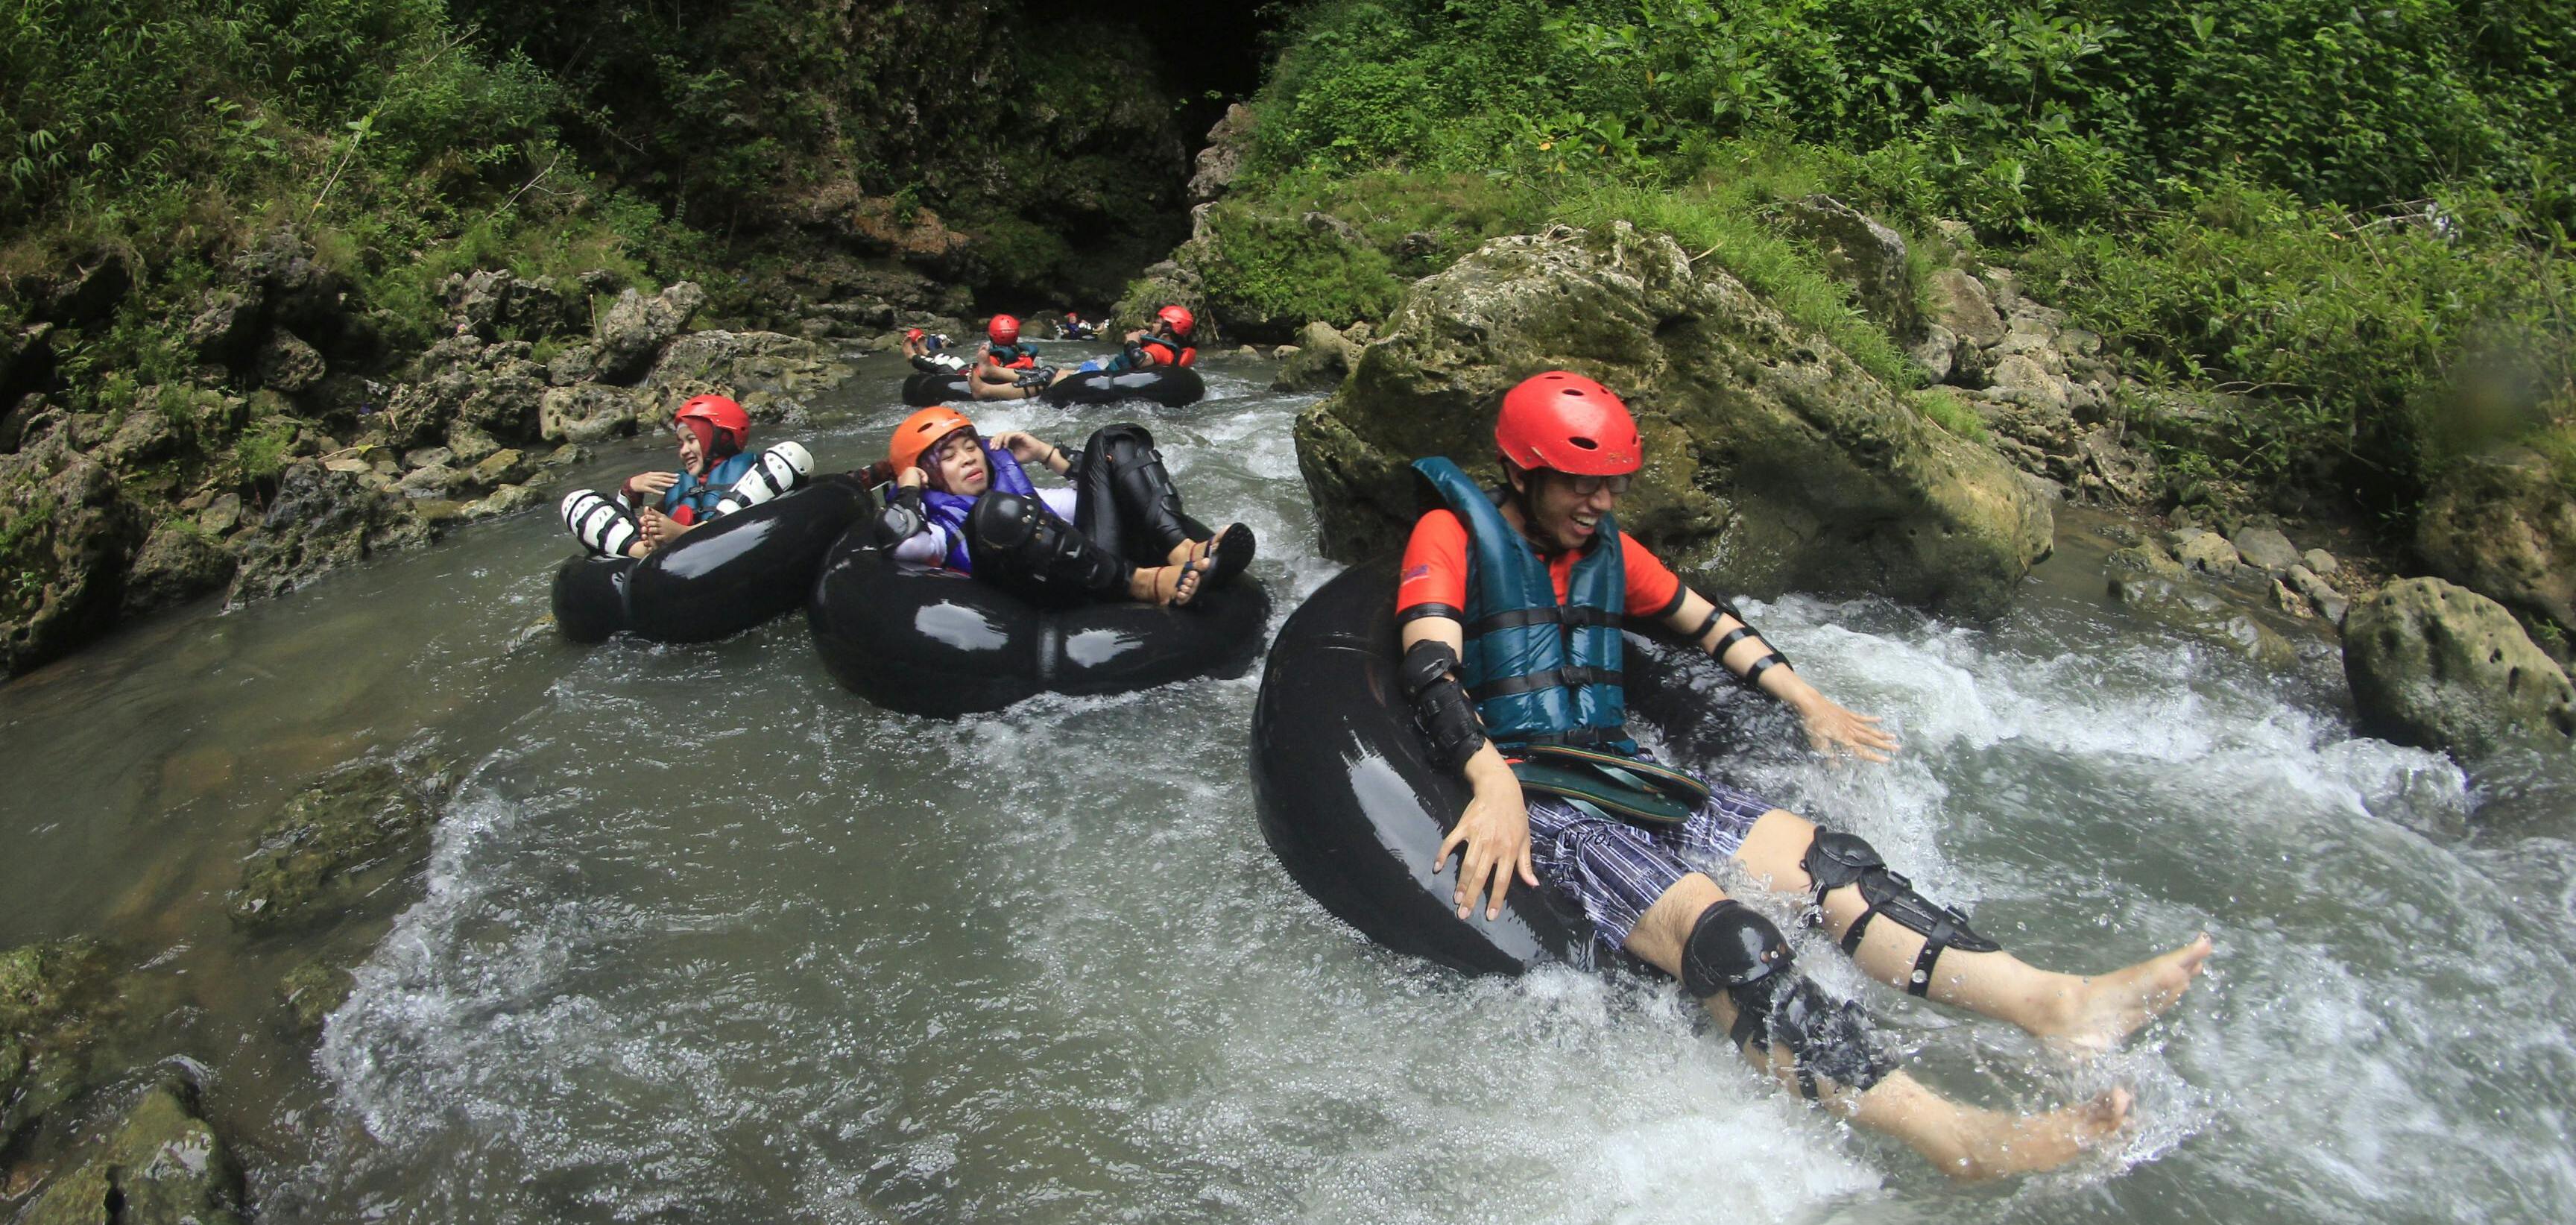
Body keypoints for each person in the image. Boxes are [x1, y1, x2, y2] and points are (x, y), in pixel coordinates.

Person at [1394, 371, 2213, 1179]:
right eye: (1580, 483)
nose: (1600, 503)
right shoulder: (1453, 536)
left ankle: (2057, 1005)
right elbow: (1431, 667)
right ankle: (1955, 1135)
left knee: (1835, 864)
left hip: (1621, 772)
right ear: (1521, 472)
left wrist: (1806, 695)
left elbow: (1710, 624)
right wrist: (1492, 779)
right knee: (1729, 936)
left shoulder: (1611, 550)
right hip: (1541, 799)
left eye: (1611, 486)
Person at [872, 405, 1252, 608]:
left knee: (1112, 440)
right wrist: (908, 489)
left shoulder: (1019, 490)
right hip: (1045, 596)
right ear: (925, 476)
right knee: (999, 513)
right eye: (950, 457)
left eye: (972, 447)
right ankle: (1145, 584)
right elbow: (905, 546)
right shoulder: (937, 528)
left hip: (1091, 571)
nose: (969, 459)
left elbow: (1091, 497)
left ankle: (1184, 550)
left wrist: (1046, 454)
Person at [559, 394, 809, 559]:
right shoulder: (677, 483)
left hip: (731, 546)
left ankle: (691, 533)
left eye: (692, 440)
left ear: (721, 438)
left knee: (791, 453)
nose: (684, 451)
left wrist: (680, 533)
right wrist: (629, 492)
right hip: (667, 561)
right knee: (575, 500)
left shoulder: (751, 468)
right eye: (680, 444)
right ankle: (640, 554)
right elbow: (638, 523)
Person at [966, 305, 1197, 401]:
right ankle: (992, 369)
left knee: (1046, 378)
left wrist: (1132, 341)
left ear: (1169, 328)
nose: (1153, 325)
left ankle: (986, 389)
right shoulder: (1171, 351)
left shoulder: (1159, 348)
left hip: (1102, 378)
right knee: (1051, 373)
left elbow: (1140, 360)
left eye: (1158, 322)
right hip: (1103, 372)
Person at [979, 314, 1043, 371]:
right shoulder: (1027, 358)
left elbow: (976, 376)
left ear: (991, 337)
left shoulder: (991, 360)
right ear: (1016, 335)